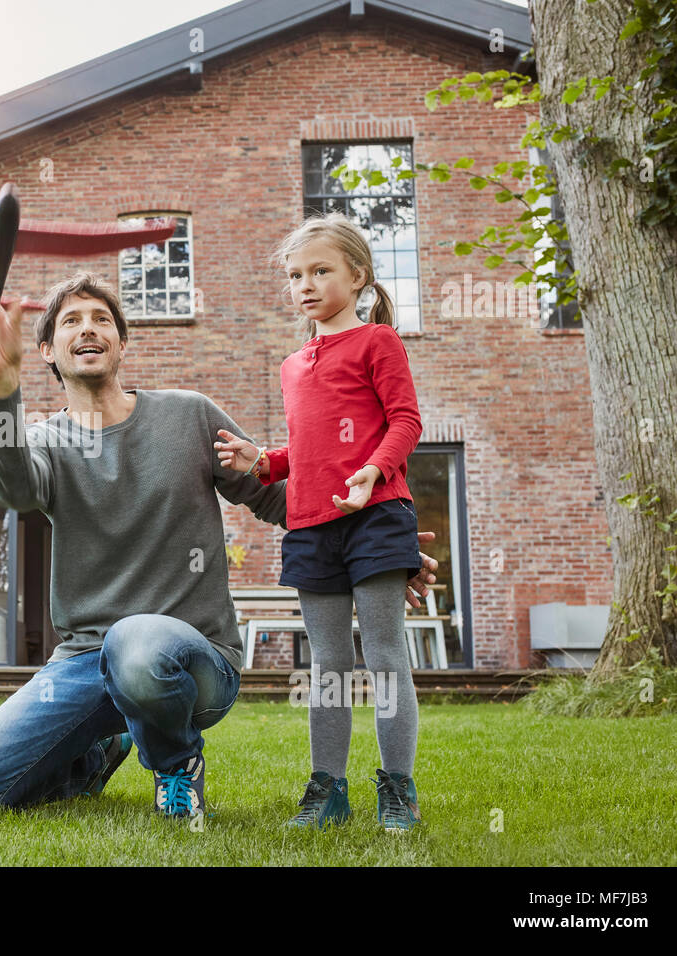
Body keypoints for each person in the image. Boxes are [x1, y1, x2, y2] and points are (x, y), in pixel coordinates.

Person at [0, 270, 438, 820]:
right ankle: (97, 755)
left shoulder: (189, 415)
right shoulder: (47, 442)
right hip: (82, 662)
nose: (88, 329)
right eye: (70, 321)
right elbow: (11, 487)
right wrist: (1, 382)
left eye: (102, 319)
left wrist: (379, 543)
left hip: (194, 662)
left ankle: (176, 764)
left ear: (122, 342)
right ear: (46, 349)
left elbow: (283, 500)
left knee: (136, 641)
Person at [215, 213, 426, 831]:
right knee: (327, 663)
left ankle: (398, 789)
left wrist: (373, 471)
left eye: (320, 271)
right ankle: (328, 789)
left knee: (385, 654)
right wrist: (264, 462)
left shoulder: (378, 342)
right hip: (310, 524)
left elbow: (406, 422)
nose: (305, 284)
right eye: (295, 275)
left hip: (378, 514)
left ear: (357, 275)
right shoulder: (291, 363)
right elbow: (308, 451)